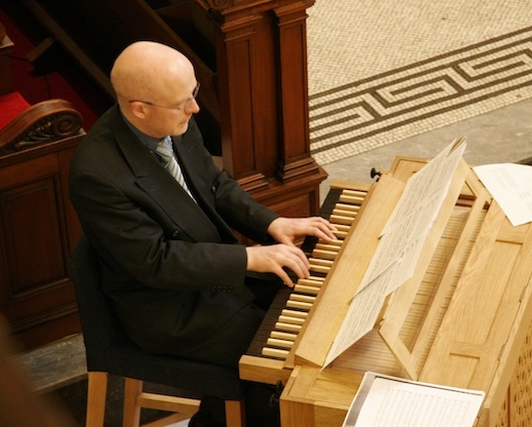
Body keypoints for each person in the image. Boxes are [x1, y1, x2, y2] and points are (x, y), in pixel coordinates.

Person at [68, 41, 336, 426]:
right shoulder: (98, 174)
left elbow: (213, 183)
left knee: (318, 301)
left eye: (193, 94)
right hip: (167, 308)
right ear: (139, 108)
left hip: (212, 272)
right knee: (285, 361)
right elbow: (155, 262)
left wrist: (270, 223)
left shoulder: (172, 117)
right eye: (184, 103)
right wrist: (250, 257)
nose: (195, 109)